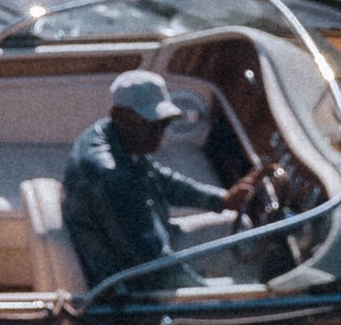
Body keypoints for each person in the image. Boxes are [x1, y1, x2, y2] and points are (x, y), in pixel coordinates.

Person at [60, 69, 264, 293]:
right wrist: (211, 292)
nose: (159, 133)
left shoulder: (109, 134)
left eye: (163, 123)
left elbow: (159, 179)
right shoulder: (112, 177)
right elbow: (157, 268)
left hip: (147, 243)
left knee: (239, 228)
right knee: (246, 291)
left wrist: (222, 200)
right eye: (150, 123)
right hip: (130, 282)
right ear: (119, 115)